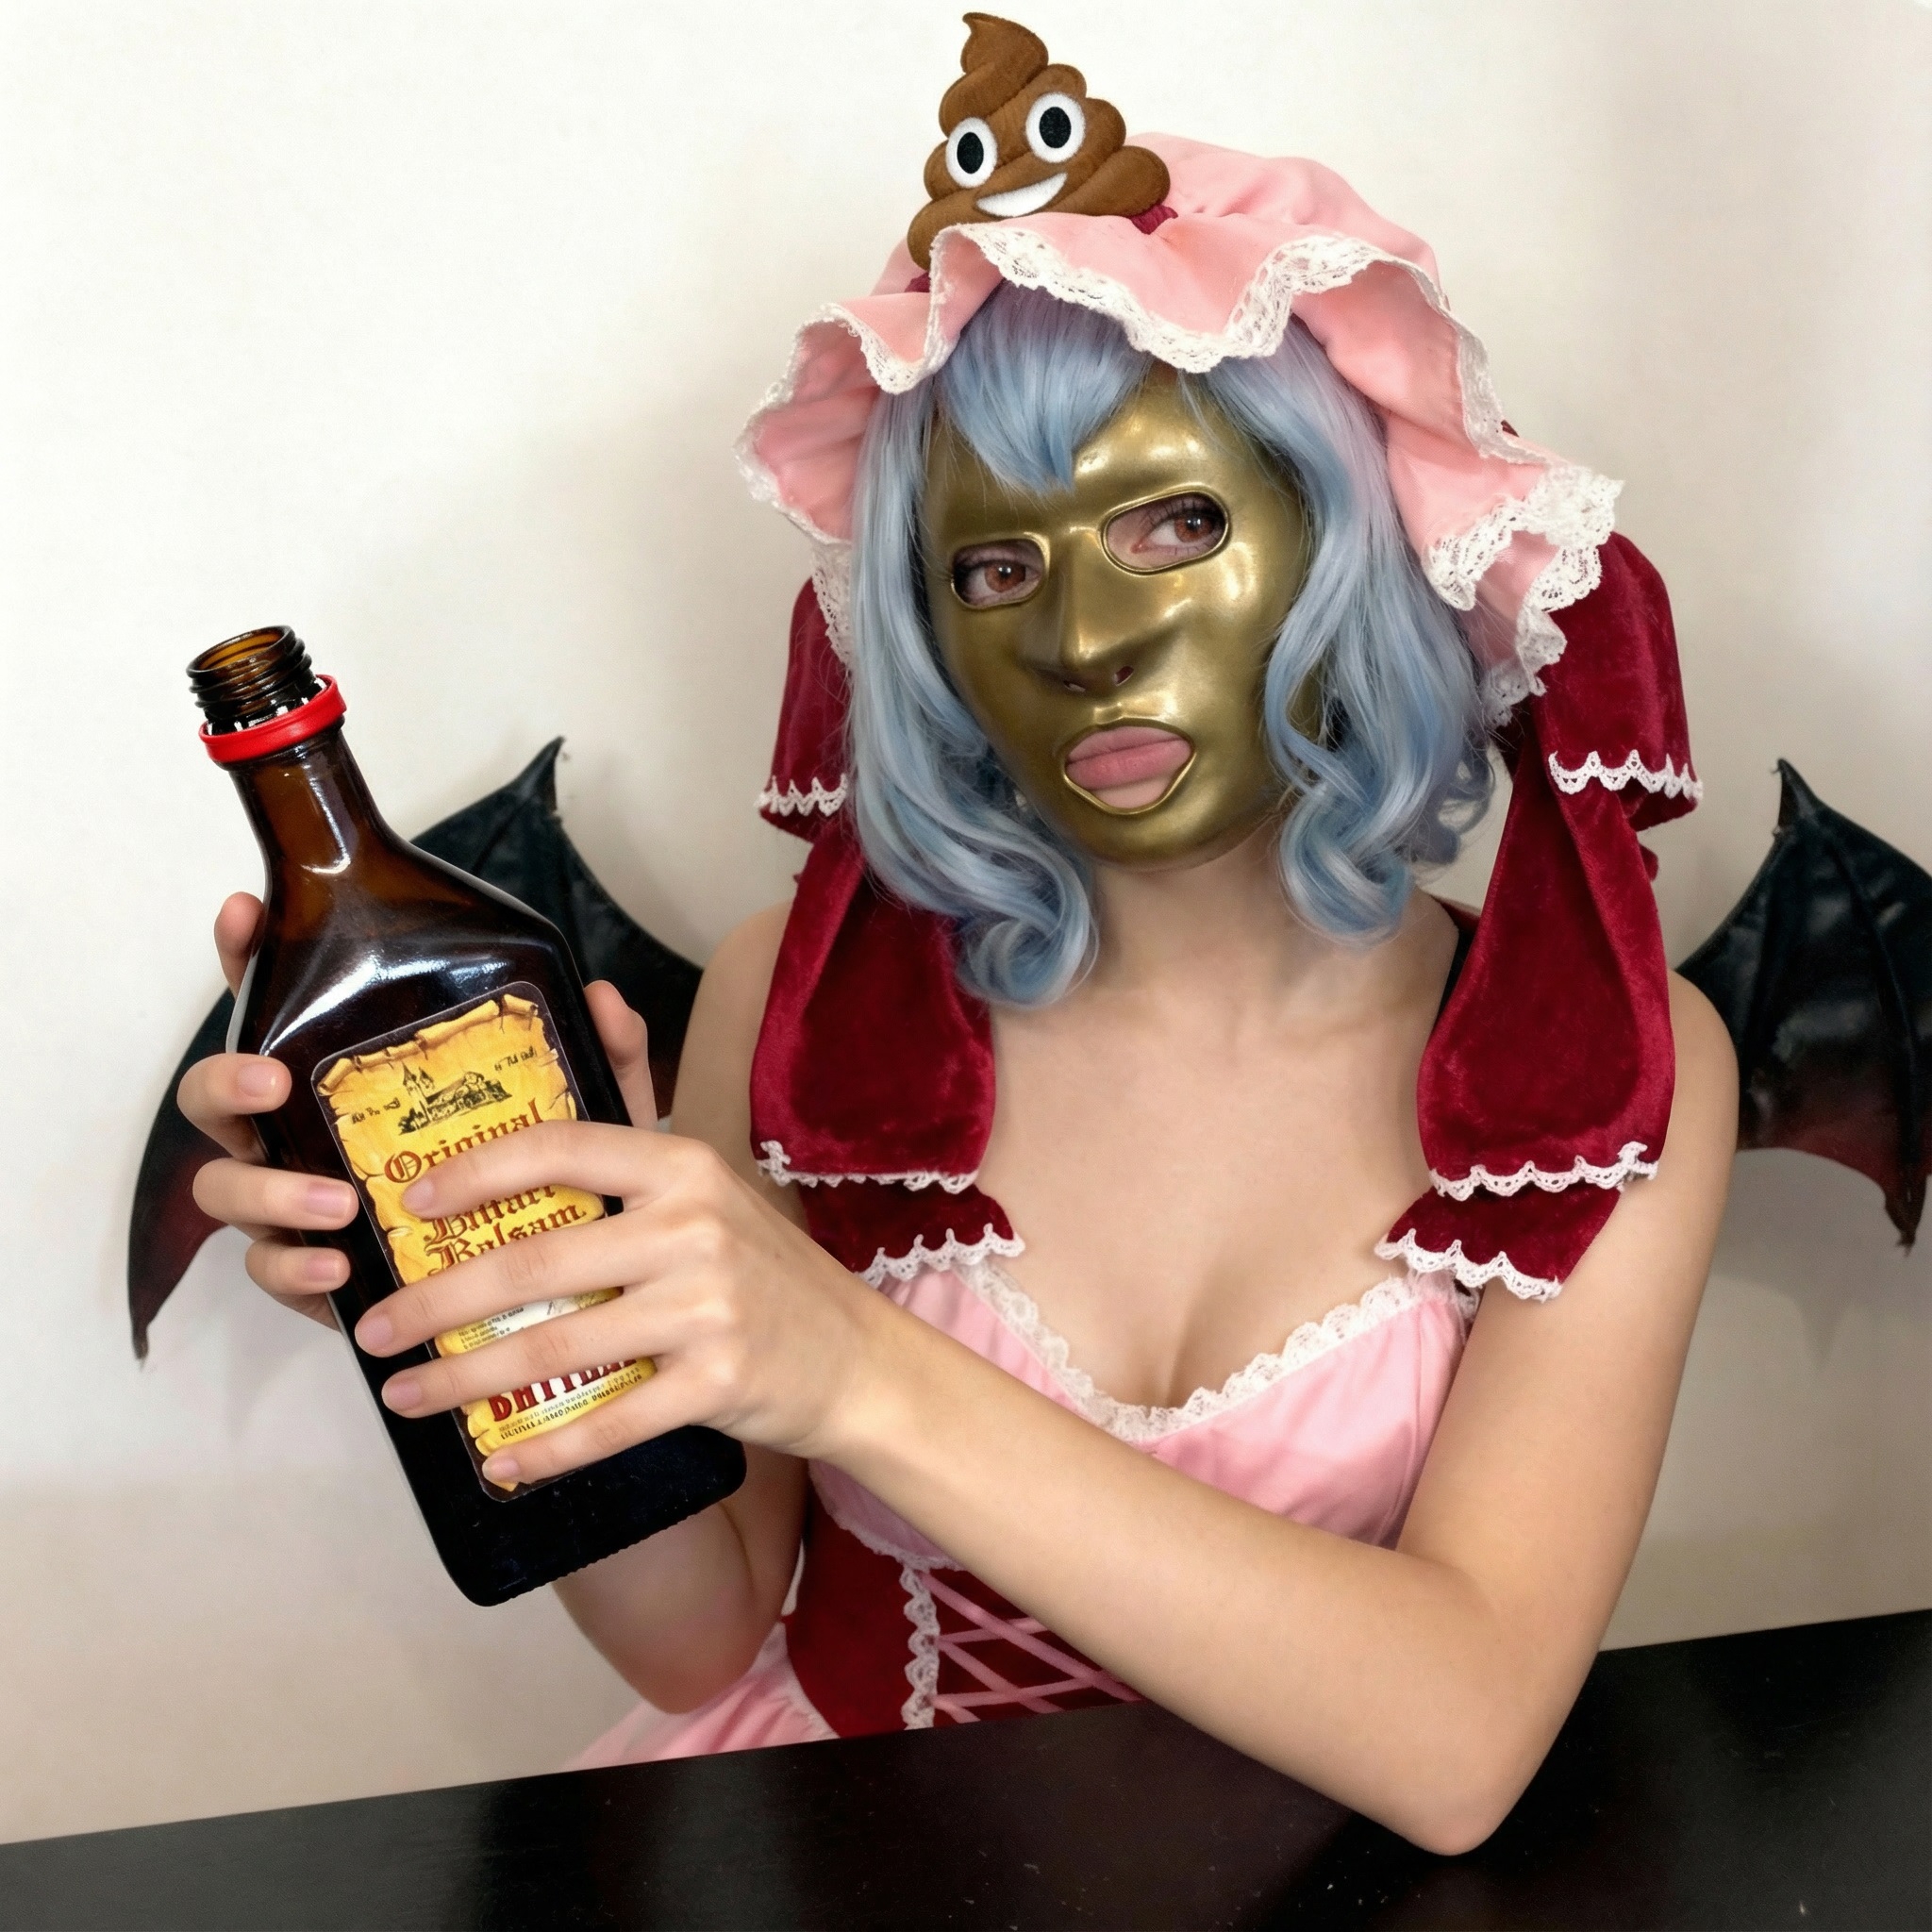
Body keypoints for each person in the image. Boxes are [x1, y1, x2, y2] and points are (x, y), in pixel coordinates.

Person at [175, 22, 1736, 1855]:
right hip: (842, 1867)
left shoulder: (1587, 1068)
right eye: (995, 567)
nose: (1081, 636)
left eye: (1172, 523)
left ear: (1349, 550)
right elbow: (693, 1640)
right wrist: (521, 1306)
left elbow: (1458, 1744)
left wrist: (851, 1366)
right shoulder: (799, 1002)